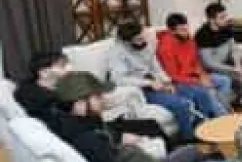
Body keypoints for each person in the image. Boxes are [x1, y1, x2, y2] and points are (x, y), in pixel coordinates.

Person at [52, 72, 221, 162]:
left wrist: (121, 139)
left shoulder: (83, 123)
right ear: (79, 104)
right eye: (97, 97)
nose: (103, 100)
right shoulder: (87, 140)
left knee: (193, 150)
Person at [14, 50, 169, 145]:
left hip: (97, 126)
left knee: (151, 124)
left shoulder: (60, 87)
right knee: (149, 127)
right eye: (61, 66)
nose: (68, 68)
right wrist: (116, 137)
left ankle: (173, 154)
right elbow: (72, 127)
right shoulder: (42, 99)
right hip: (92, 134)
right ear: (43, 72)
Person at [108, 20, 220, 141]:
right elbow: (119, 79)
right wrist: (149, 83)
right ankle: (189, 139)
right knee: (181, 105)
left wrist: (167, 82)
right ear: (127, 42)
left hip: (159, 83)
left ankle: (206, 130)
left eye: (142, 36)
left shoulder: (146, 44)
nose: (143, 41)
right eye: (138, 40)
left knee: (201, 93)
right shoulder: (117, 53)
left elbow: (156, 67)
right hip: (143, 89)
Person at [195, 2, 242, 110]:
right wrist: (233, 70)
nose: (226, 19)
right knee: (238, 79)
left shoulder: (226, 28)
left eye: (225, 16)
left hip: (227, 61)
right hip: (214, 69)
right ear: (211, 20)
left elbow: (234, 48)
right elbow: (209, 63)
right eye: (222, 17)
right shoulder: (202, 35)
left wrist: (238, 65)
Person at [157, 13, 231, 118]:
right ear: (172, 31)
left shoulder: (188, 38)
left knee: (224, 80)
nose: (186, 32)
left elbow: (196, 61)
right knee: (207, 92)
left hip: (195, 76)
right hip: (180, 83)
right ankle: (224, 118)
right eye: (182, 30)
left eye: (187, 27)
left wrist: (203, 76)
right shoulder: (165, 48)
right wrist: (198, 81)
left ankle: (224, 111)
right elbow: (173, 76)